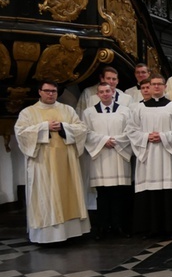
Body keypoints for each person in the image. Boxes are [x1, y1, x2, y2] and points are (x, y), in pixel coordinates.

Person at [15, 80, 90, 243]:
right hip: (43, 164)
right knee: (46, 195)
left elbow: (82, 128)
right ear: (40, 92)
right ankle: (48, 237)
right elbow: (21, 134)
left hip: (66, 162)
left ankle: (71, 233)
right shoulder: (28, 113)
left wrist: (63, 127)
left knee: (68, 194)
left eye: (54, 91)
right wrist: (44, 127)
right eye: (47, 91)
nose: (51, 94)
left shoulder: (67, 110)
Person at [127, 75, 172, 238]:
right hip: (148, 155)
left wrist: (162, 136)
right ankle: (150, 228)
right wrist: (147, 137)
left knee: (168, 191)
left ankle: (170, 228)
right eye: (152, 84)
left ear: (164, 87)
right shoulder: (139, 109)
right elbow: (131, 131)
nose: (156, 87)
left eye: (159, 84)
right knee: (149, 192)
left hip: (167, 156)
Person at [82, 83, 133, 238]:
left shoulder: (125, 111)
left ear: (113, 93)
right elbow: (86, 132)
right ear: (97, 94)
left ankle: (118, 226)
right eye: (102, 92)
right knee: (103, 195)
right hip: (101, 158)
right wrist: (104, 140)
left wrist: (115, 141)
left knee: (118, 194)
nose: (105, 94)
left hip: (119, 155)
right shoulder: (89, 112)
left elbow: (130, 131)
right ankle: (102, 227)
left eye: (108, 91)